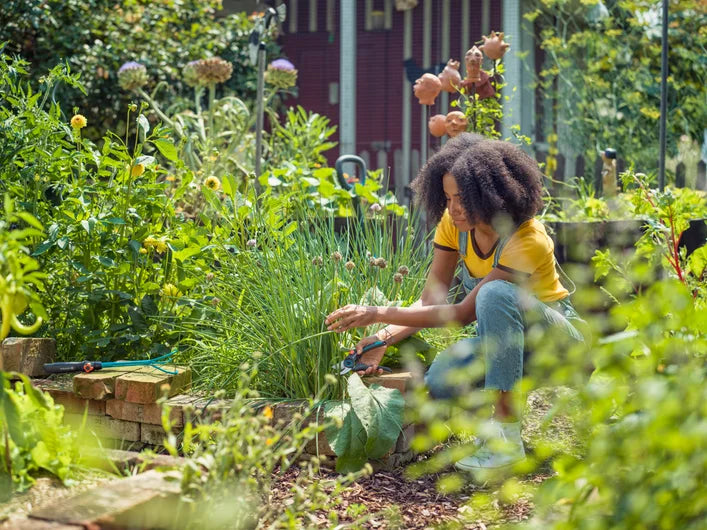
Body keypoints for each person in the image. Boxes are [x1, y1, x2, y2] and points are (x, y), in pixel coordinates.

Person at [325, 134, 585, 471]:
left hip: (559, 343)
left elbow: (462, 314)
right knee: (441, 380)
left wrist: (374, 312)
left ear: (492, 194)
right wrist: (381, 339)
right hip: (507, 345)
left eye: (464, 198)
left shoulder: (527, 237)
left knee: (494, 293)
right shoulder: (454, 226)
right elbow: (431, 298)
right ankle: (488, 430)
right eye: (447, 198)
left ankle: (506, 438)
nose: (454, 208)